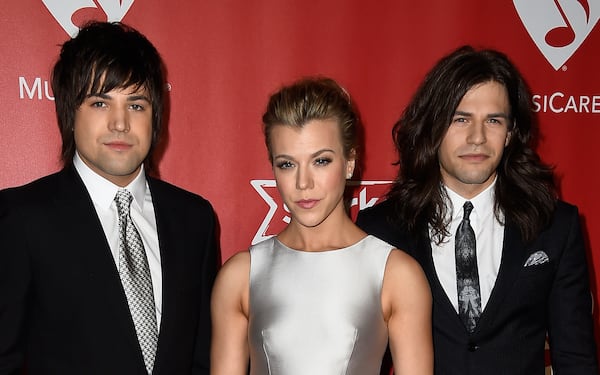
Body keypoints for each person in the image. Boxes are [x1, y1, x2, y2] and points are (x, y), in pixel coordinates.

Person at [356, 45, 599, 374]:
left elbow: (576, 360)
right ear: (433, 127)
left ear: (511, 133)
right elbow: (361, 360)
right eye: (460, 119)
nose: (477, 137)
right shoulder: (380, 230)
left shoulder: (556, 225)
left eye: (494, 121)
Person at [0, 21, 218, 374]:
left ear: (156, 116)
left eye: (136, 105)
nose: (120, 124)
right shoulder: (20, 219)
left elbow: (203, 357)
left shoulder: (194, 220)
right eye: (101, 103)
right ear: (70, 113)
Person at [210, 77, 433, 375]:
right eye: (287, 164)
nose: (303, 183)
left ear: (350, 161)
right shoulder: (240, 276)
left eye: (321, 161)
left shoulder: (396, 274)